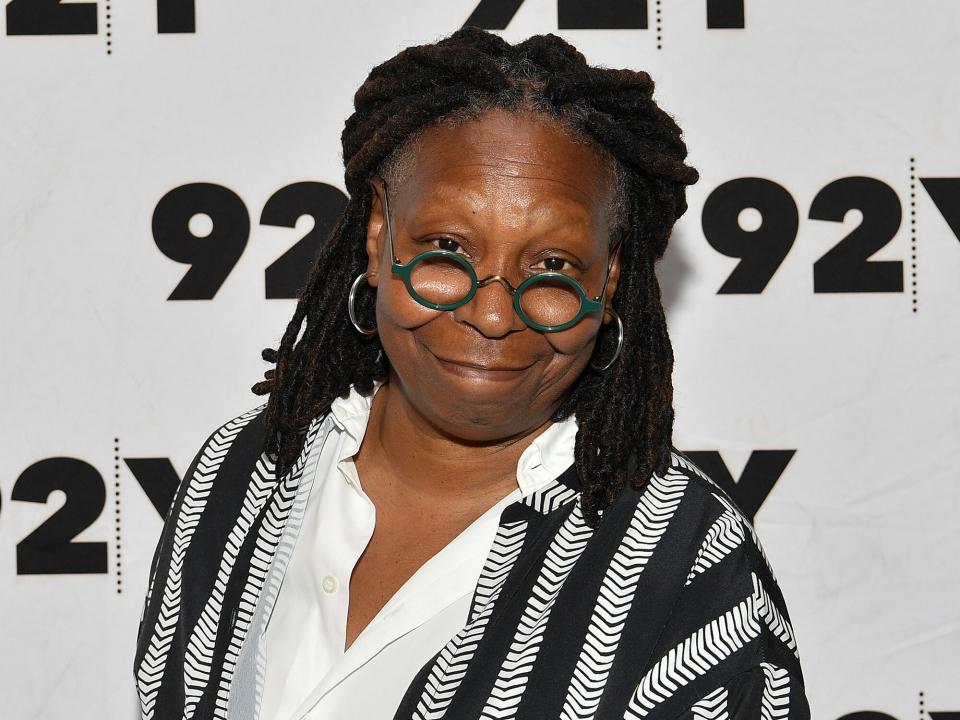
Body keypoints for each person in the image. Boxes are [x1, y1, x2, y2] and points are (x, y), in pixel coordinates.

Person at [134, 27, 810, 720]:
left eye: (552, 267)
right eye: (446, 248)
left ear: (608, 281)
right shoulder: (240, 473)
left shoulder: (686, 561)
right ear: (377, 238)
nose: (492, 315)